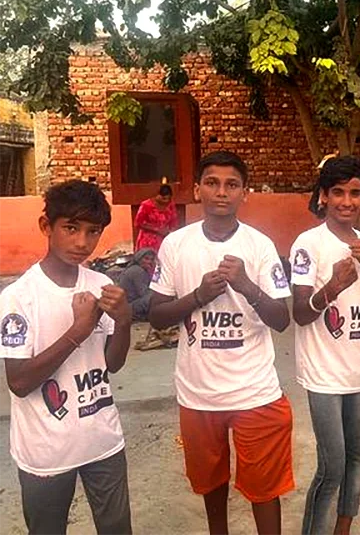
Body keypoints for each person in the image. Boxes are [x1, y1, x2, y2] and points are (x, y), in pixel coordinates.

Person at [149, 151, 294, 535]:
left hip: (255, 391)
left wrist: (246, 285)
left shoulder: (260, 246)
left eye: (232, 185)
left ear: (244, 193)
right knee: (210, 483)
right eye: (212, 183)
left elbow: (282, 320)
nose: (221, 192)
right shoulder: (176, 245)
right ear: (197, 190)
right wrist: (198, 296)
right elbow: (157, 315)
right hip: (198, 393)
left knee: (265, 490)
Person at [0, 180, 133, 535]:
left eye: (92, 232)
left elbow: (112, 365)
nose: (81, 242)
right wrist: (79, 331)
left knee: (118, 528)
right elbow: (19, 382)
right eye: (70, 228)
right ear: (47, 227)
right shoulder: (19, 298)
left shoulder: (98, 284)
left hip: (102, 439)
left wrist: (123, 322)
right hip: (46, 452)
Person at [291, 156, 360, 535]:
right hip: (323, 372)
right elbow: (299, 312)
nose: (347, 201)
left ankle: (343, 527)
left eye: (355, 193)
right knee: (332, 465)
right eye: (339, 193)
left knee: (357, 456)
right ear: (324, 197)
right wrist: (331, 288)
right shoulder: (308, 244)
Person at [134, 183, 179, 253]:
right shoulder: (146, 205)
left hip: (164, 241)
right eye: (164, 198)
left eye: (168, 199)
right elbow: (138, 223)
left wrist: (170, 233)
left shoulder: (171, 206)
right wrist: (157, 229)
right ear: (157, 195)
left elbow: (174, 223)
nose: (166, 201)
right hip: (147, 243)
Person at [119, 247, 156, 322]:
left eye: (152, 259)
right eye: (146, 258)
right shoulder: (138, 271)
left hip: (130, 305)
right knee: (155, 295)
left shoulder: (138, 269)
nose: (149, 262)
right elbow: (144, 293)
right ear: (139, 259)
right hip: (131, 307)